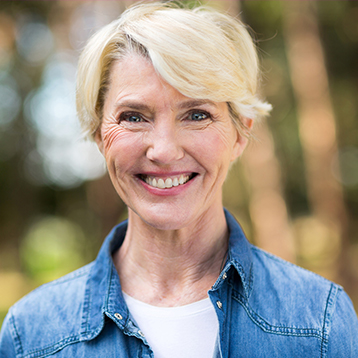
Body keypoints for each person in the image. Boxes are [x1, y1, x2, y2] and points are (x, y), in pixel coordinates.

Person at [1, 2, 357, 357]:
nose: (164, 150)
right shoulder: (30, 335)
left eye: (197, 114)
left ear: (239, 134)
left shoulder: (320, 323)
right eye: (134, 117)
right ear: (99, 135)